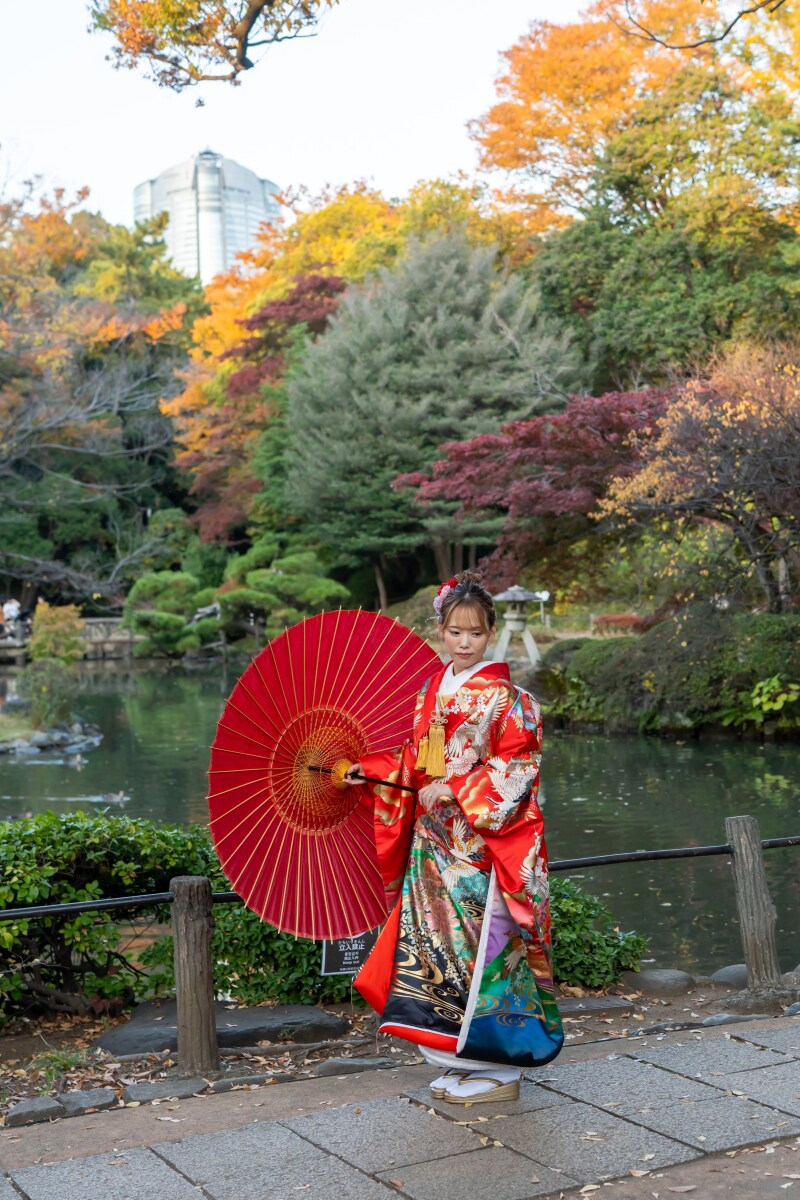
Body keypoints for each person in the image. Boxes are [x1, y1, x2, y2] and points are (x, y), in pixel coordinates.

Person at [345, 571, 563, 1104]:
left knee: (486, 950)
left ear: (491, 633)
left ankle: (504, 1065)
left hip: (480, 850)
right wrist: (369, 771)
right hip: (433, 848)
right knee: (438, 952)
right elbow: (417, 765)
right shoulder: (430, 693)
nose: (465, 643)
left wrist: (456, 787)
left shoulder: (511, 701)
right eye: (454, 632)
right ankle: (459, 1057)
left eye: (476, 633)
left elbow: (517, 768)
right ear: (439, 630)